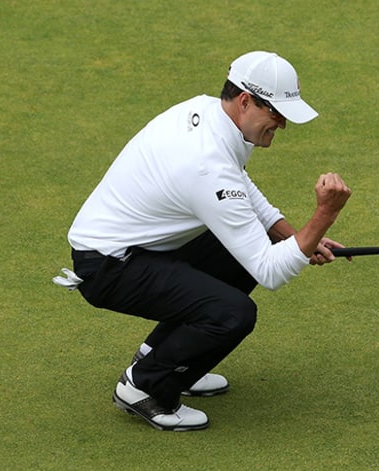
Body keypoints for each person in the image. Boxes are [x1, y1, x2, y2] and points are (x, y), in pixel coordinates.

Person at [54, 51, 352, 431]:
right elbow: (270, 271)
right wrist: (324, 216)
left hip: (139, 249)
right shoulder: (205, 164)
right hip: (110, 267)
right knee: (233, 313)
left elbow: (239, 183)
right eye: (276, 113)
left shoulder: (210, 113)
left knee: (252, 244)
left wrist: (296, 237)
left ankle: (161, 361)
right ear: (245, 101)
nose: (282, 124)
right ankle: (145, 386)